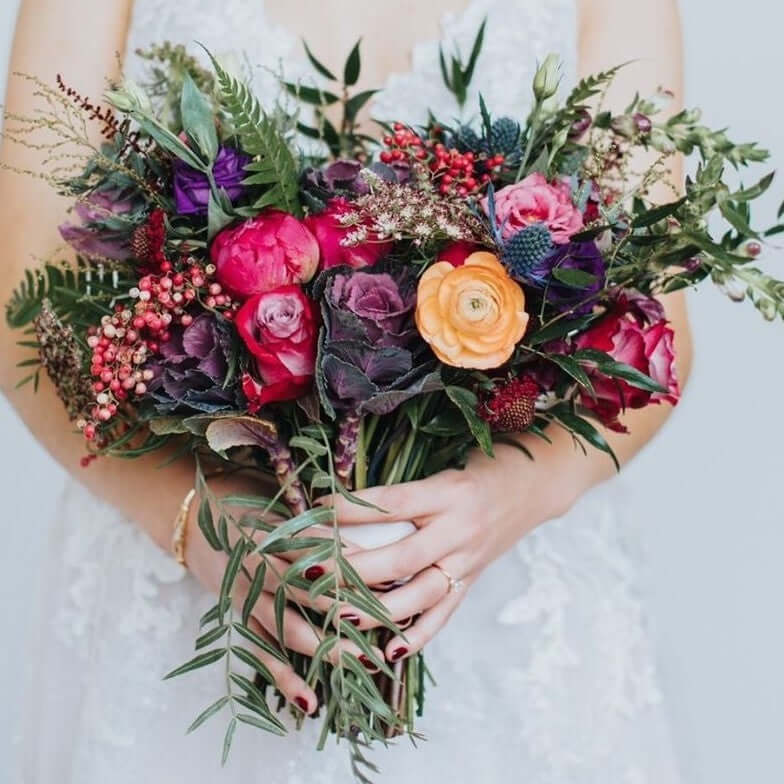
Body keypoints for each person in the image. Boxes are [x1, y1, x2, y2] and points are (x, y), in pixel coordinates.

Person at [0, 0, 691, 781]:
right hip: (190, 598)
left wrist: (509, 497)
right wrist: (194, 522)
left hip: (503, 600)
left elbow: (658, 338)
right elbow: (29, 315)